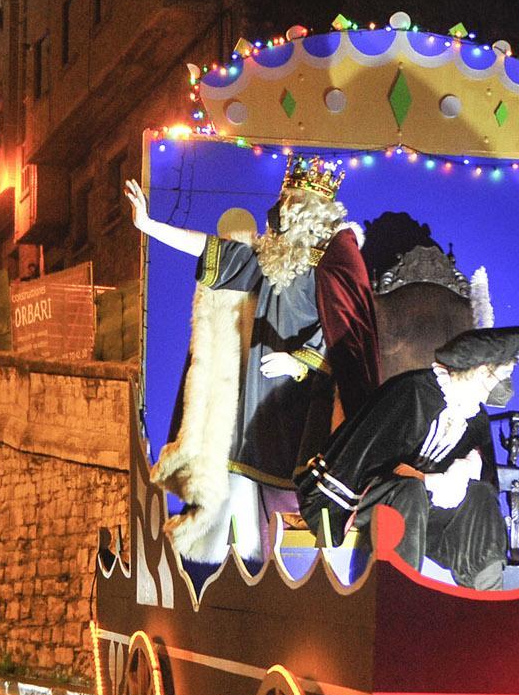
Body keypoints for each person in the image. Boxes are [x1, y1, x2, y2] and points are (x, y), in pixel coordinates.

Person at [124, 156, 380, 564]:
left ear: (318, 210)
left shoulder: (335, 259)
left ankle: (309, 574)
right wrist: (150, 226)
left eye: (296, 200)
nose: (286, 207)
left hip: (306, 407)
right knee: (247, 507)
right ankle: (246, 577)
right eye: (285, 199)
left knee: (298, 498)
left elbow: (346, 335)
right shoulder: (269, 256)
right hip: (258, 405)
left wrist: (299, 361)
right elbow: (212, 249)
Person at [297, 325, 519, 591]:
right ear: (482, 371)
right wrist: (429, 480)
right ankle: (399, 593)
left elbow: (478, 477)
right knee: (411, 491)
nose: (507, 384)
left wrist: (466, 471)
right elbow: (367, 462)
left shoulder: (476, 417)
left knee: (481, 496)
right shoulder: (410, 392)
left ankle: (488, 597)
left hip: (420, 509)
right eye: (504, 374)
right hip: (364, 496)